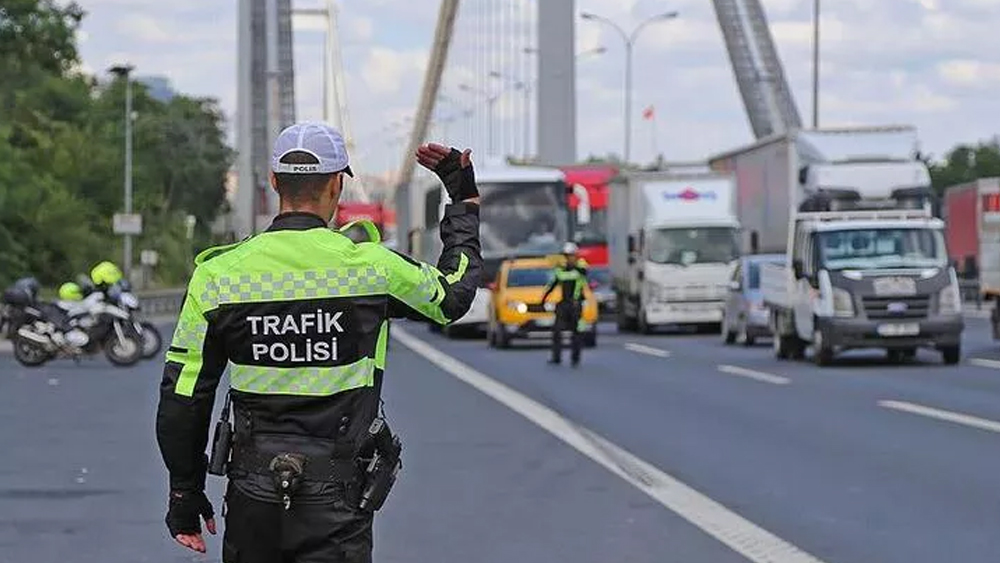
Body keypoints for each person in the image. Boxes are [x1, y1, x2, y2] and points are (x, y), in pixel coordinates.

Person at [155, 121, 482, 563]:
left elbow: (183, 397)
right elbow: (453, 295)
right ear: (336, 185)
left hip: (253, 497)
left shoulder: (219, 277)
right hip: (339, 500)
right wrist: (461, 201)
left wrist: (185, 494)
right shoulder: (371, 269)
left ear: (274, 182)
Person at [541, 242, 589, 366]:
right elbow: (552, 285)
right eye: (567, 256)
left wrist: (573, 266)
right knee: (557, 331)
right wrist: (543, 300)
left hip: (576, 304)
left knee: (577, 333)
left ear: (575, 255)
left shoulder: (581, 267)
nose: (569, 258)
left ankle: (575, 358)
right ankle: (556, 357)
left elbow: (584, 272)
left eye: (571, 255)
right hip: (563, 305)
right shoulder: (560, 270)